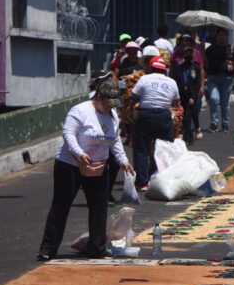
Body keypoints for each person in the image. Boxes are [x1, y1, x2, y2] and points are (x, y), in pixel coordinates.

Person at [37, 76, 133, 261]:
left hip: (98, 166)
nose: (109, 108)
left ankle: (96, 247)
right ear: (98, 96)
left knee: (98, 206)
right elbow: (68, 134)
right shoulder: (80, 110)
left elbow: (114, 141)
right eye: (107, 103)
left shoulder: (112, 116)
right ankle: (48, 247)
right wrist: (80, 153)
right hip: (71, 164)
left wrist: (123, 160)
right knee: (61, 205)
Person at [130, 57, 180, 190]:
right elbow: (176, 103)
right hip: (164, 116)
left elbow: (133, 97)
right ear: (164, 70)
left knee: (142, 150)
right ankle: (160, 179)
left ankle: (142, 182)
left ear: (151, 68)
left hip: (145, 115)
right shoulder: (172, 82)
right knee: (162, 149)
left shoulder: (144, 79)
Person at [204, 27, 234, 132]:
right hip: (213, 78)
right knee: (214, 99)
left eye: (224, 35)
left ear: (227, 36)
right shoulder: (211, 49)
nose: (222, 37)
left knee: (225, 103)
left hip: (228, 79)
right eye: (220, 35)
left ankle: (225, 124)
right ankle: (214, 123)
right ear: (216, 36)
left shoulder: (232, 48)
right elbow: (204, 61)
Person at [172, 32, 205, 140]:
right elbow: (173, 72)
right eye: (183, 40)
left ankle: (196, 128)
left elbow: (200, 73)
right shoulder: (177, 57)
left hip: (192, 90)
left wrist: (200, 87)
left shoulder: (195, 58)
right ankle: (185, 133)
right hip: (181, 90)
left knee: (194, 110)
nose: (185, 42)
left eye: (187, 41)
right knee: (183, 113)